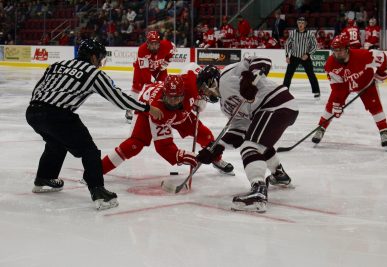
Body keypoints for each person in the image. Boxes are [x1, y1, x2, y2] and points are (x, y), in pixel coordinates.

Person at [25, 39, 163, 210]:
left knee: (56, 143)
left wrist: (40, 110)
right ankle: (98, 191)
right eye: (99, 58)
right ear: (92, 57)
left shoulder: (57, 64)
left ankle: (44, 178)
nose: (100, 62)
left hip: (32, 112)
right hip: (58, 114)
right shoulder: (93, 74)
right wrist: (147, 107)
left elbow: (38, 89)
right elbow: (118, 99)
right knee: (89, 151)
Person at [196, 56, 299, 213]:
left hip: (276, 103)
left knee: (250, 146)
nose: (204, 93)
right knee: (258, 143)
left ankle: (258, 191)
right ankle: (279, 175)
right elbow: (240, 129)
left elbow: (261, 60)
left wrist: (248, 78)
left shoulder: (226, 76)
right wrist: (216, 148)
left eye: (203, 88)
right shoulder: (225, 107)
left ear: (210, 81)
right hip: (273, 109)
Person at [102, 69, 234, 178]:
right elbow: (163, 146)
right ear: (163, 96)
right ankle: (98, 170)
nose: (173, 101)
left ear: (183, 94)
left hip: (180, 111)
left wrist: (198, 98)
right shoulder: (159, 113)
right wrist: (179, 155)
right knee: (134, 144)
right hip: (148, 111)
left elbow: (193, 71)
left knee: (205, 135)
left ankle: (216, 159)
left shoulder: (191, 83)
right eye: (169, 98)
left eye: (177, 98)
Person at [311, 34, 387, 149]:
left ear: (347, 49)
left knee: (375, 106)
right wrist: (337, 103)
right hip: (344, 86)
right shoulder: (330, 64)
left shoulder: (362, 56)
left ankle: (384, 131)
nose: (337, 53)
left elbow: (381, 56)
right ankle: (321, 128)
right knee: (331, 106)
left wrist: (381, 73)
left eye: (340, 50)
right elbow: (337, 87)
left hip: (366, 83)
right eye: (335, 50)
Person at [126, 31, 176, 121]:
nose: (153, 46)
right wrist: (152, 83)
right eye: (151, 44)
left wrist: (166, 62)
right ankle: (129, 108)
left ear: (159, 42)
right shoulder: (142, 50)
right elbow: (145, 71)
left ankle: (163, 108)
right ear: (147, 43)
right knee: (137, 87)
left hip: (159, 68)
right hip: (141, 68)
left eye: (156, 44)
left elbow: (173, 51)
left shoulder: (167, 45)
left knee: (165, 86)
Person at [283, 17, 321, 99]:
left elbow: (315, 46)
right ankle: (284, 91)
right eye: (299, 23)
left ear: (305, 24)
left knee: (311, 74)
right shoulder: (293, 33)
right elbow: (287, 44)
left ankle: (316, 91)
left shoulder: (310, 34)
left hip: (305, 57)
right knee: (288, 75)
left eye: (302, 23)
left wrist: (308, 54)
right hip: (294, 56)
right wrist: (287, 56)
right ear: (297, 23)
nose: (300, 24)